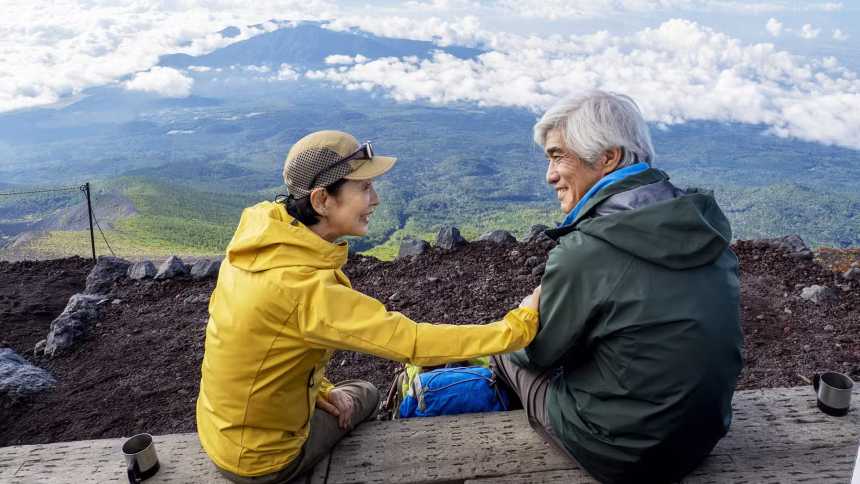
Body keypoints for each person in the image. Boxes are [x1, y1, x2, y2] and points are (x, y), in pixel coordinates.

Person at [196, 130, 541, 483]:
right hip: (261, 461)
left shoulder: (259, 239)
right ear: (321, 200)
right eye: (363, 188)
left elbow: (263, 345)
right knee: (367, 393)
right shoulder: (302, 287)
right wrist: (519, 325)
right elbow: (413, 343)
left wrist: (323, 390)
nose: (374, 199)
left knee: (348, 394)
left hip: (220, 429)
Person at [491, 91, 743, 484]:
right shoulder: (703, 226)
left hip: (624, 454)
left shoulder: (586, 251)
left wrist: (528, 311)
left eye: (558, 156)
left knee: (504, 351)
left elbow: (537, 354)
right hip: (703, 436)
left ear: (608, 157)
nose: (549, 174)